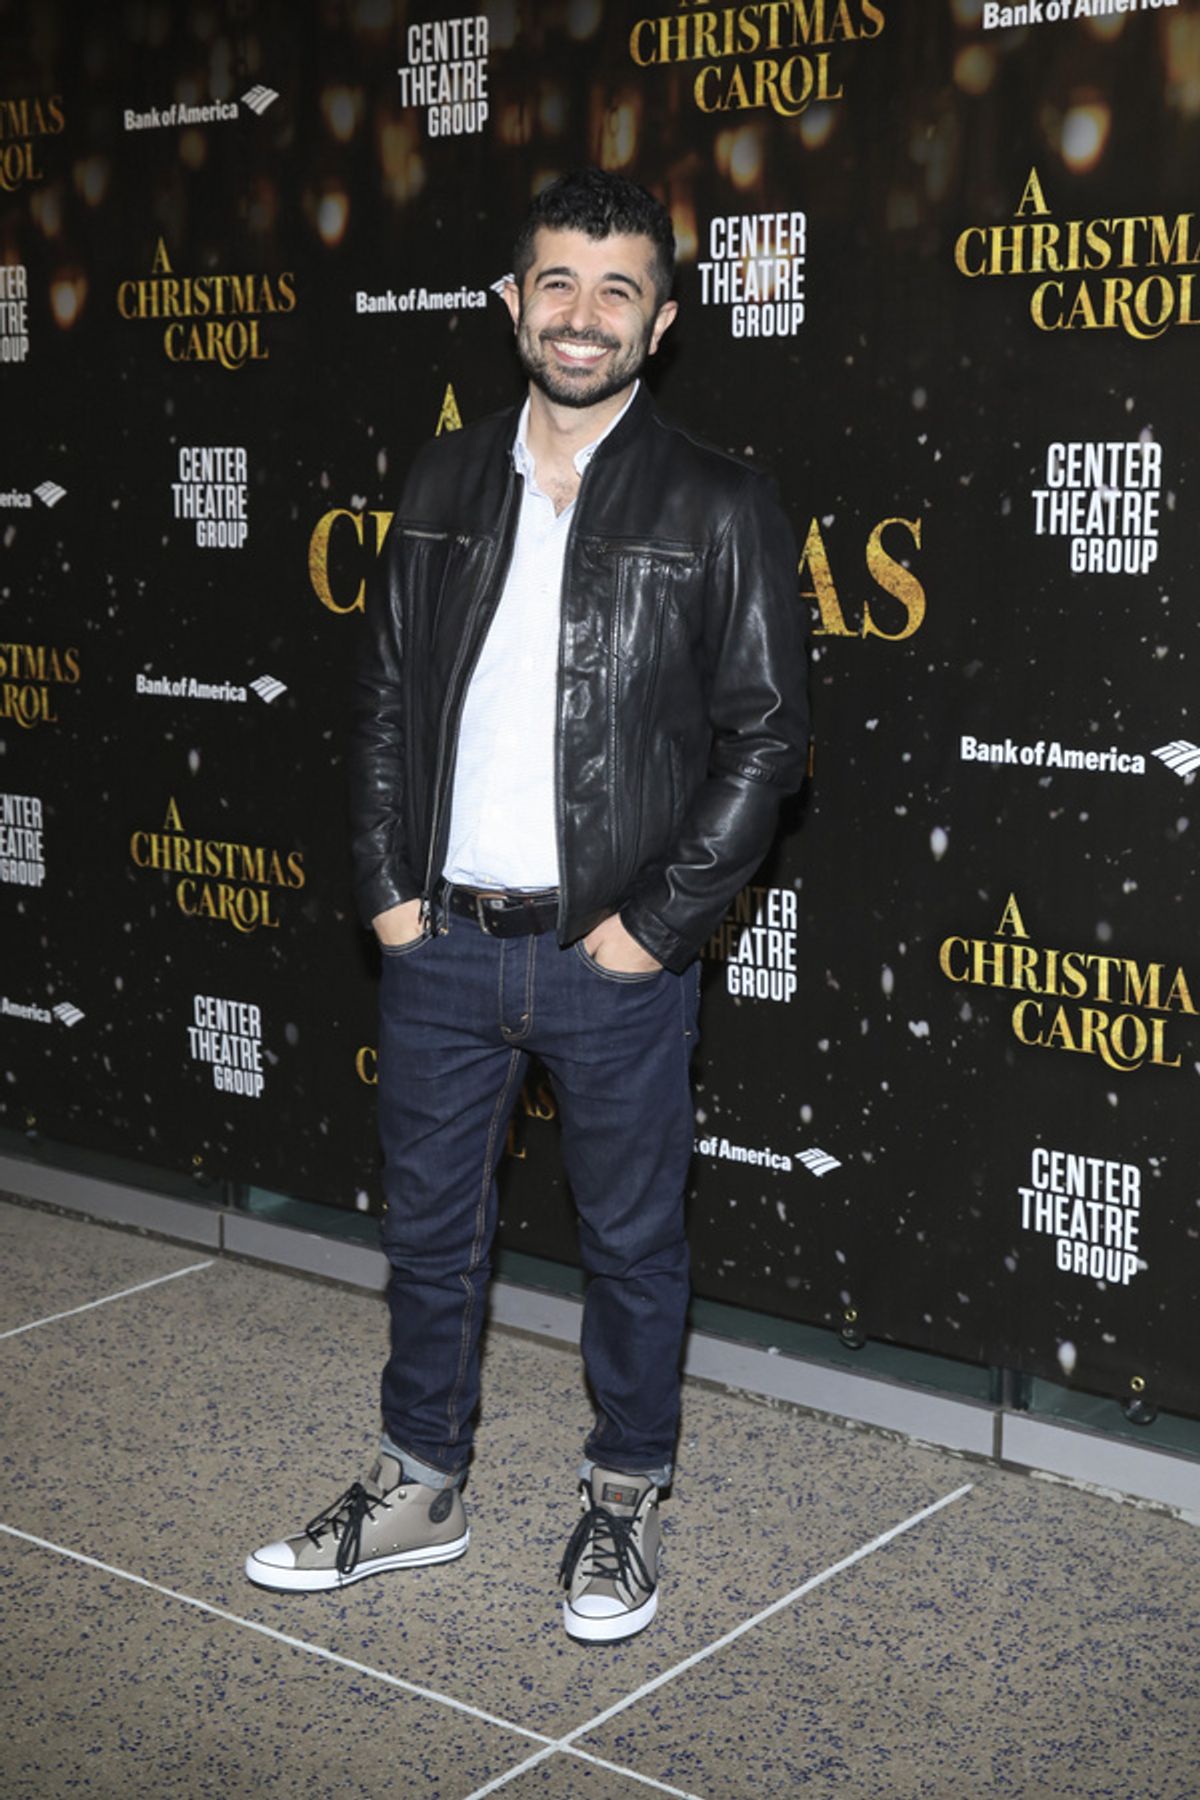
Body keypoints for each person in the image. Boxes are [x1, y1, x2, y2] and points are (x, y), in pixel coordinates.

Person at [245, 168, 808, 1642]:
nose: (582, 315)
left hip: (611, 958)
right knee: (430, 1238)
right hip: (439, 947)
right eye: (556, 283)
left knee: (633, 1244)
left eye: (618, 290)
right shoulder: (437, 483)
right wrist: (384, 897)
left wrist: (657, 927)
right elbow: (375, 702)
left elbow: (768, 740)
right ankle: (419, 1486)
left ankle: (624, 1500)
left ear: (662, 323)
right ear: (512, 305)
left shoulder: (720, 501)